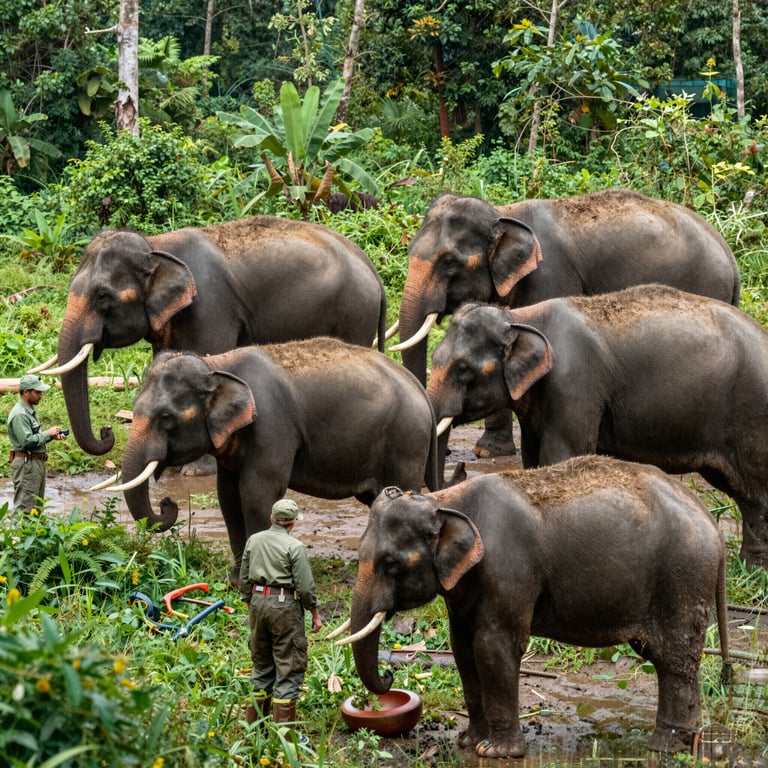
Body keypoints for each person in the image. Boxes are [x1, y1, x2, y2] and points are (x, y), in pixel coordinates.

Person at [239, 498, 323, 727]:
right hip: (284, 606)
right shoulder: (294, 547)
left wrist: (250, 602)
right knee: (289, 666)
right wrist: (314, 612)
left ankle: (255, 731)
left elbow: (244, 576)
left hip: (257, 602)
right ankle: (284, 737)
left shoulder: (253, 540)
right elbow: (305, 586)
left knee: (262, 665)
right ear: (293, 523)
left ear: (272, 519)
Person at [7, 373, 67, 514]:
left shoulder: (29, 412)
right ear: (26, 392)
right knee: (25, 509)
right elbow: (27, 441)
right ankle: (19, 536)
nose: (41, 395)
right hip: (27, 464)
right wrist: (48, 433)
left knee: (36, 509)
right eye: (38, 392)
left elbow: (34, 438)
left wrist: (51, 437)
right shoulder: (20, 414)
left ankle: (32, 536)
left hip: (34, 464)